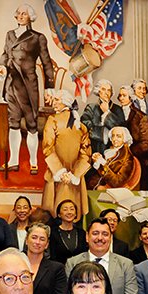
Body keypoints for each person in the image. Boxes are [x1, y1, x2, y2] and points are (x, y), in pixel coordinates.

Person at [0, 3, 54, 173]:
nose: (21, 16)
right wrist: (1, 66)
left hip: (28, 85)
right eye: (19, 13)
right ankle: (13, 160)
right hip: (11, 83)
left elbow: (46, 62)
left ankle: (33, 161)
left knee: (31, 124)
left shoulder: (38, 37)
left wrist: (49, 87)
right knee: (13, 123)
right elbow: (5, 54)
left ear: (30, 17)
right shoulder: (10, 34)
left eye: (24, 14)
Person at [42, 88, 92, 216]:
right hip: (74, 178)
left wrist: (61, 172)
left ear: (66, 102)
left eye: (57, 100)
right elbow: (86, 154)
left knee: (55, 214)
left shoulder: (52, 120)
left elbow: (48, 148)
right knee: (74, 214)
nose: (53, 102)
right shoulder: (81, 125)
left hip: (57, 176)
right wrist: (74, 174)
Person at [65, 218, 138, 294]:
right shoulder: (73, 263)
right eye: (95, 233)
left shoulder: (126, 265)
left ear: (110, 238)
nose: (100, 238)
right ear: (87, 237)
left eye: (105, 234)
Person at [81, 79, 126, 156]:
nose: (106, 92)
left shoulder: (117, 109)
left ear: (111, 93)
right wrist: (103, 134)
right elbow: (85, 126)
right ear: (98, 91)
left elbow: (121, 128)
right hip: (94, 148)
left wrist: (107, 113)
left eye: (109, 90)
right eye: (103, 89)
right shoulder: (91, 107)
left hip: (114, 149)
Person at [25, 223, 66, 294]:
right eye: (34, 237)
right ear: (26, 240)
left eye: (42, 239)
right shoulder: (14, 265)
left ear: (47, 244)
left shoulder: (56, 269)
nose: (37, 242)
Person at [131, 78, 148, 191]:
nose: (142, 91)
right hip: (136, 147)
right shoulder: (129, 107)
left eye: (144, 88)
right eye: (139, 88)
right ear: (133, 90)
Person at [116, 85, 148, 163]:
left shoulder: (141, 116)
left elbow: (146, 143)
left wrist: (129, 152)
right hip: (117, 155)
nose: (121, 98)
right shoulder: (115, 113)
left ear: (131, 97)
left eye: (124, 96)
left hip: (136, 158)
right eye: (120, 95)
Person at [49, 199, 88, 264]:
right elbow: (52, 256)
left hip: (79, 269)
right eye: (65, 209)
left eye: (72, 209)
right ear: (59, 214)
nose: (69, 212)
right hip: (59, 270)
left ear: (75, 214)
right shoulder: (53, 233)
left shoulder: (81, 233)